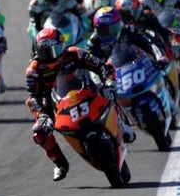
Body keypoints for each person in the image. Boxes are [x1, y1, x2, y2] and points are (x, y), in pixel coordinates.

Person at [24, 26, 116, 181]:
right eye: (45, 52)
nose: (51, 57)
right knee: (39, 132)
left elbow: (102, 67)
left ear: (62, 46)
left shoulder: (75, 53)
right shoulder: (33, 70)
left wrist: (109, 82)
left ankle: (123, 123)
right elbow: (33, 97)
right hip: (55, 103)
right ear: (37, 52)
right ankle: (60, 163)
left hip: (85, 91)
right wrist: (42, 115)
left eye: (54, 50)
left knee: (110, 91)